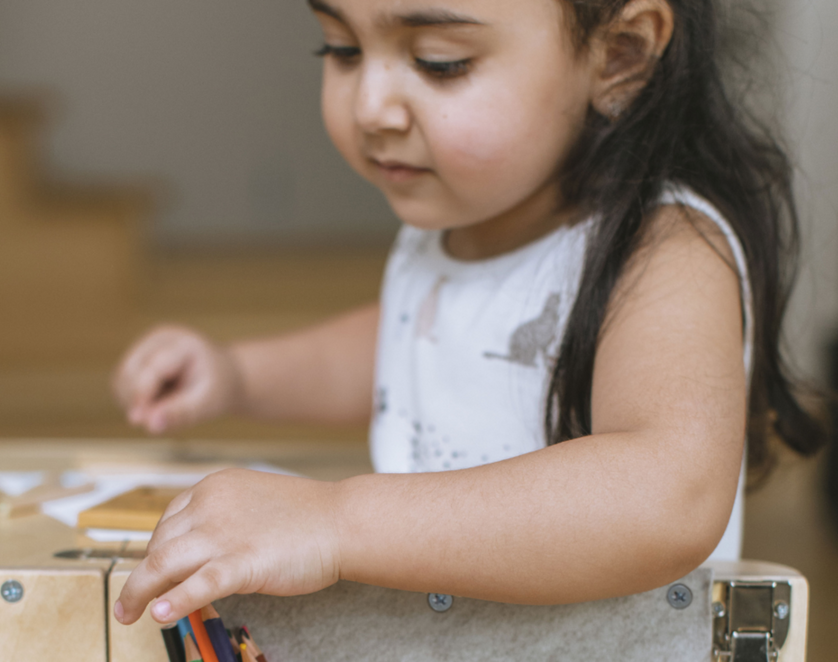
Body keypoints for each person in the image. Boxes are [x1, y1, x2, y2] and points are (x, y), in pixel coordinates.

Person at [112, 0, 824, 629]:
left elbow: (667, 495)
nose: (372, 107)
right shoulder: (451, 224)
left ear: (619, 56)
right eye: (342, 48)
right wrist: (238, 375)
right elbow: (413, 339)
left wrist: (334, 521)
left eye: (439, 62)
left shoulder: (666, 248)